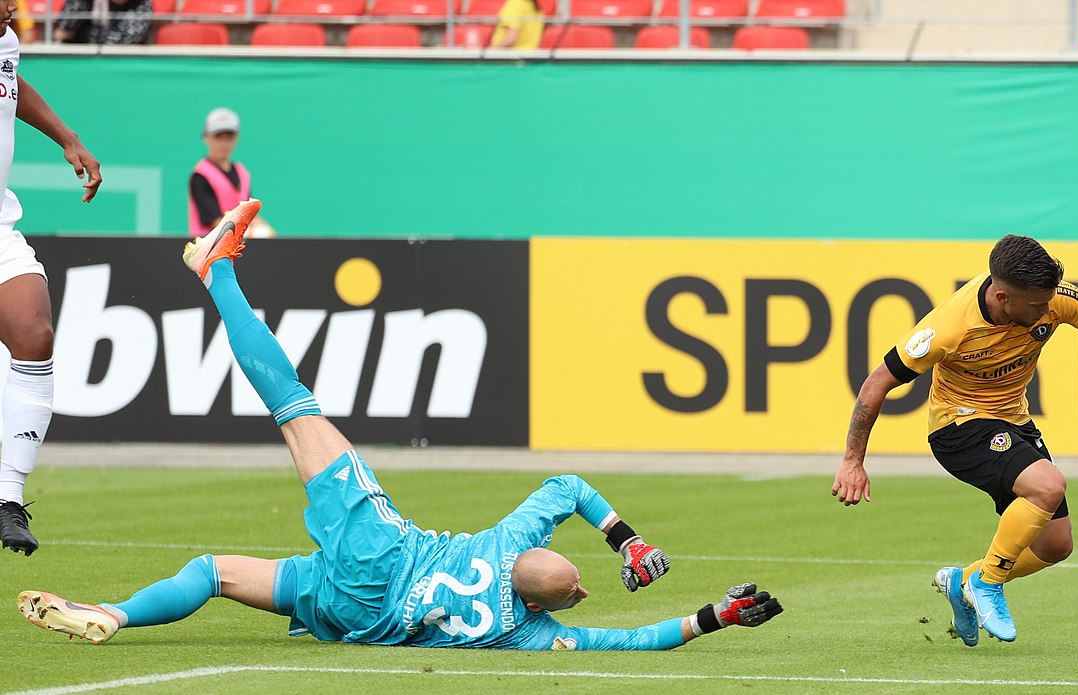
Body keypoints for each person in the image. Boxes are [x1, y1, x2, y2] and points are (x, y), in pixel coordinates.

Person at [17, 200, 783, 649]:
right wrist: (712, 616)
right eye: (579, 587)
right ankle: (114, 613)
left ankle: (216, 269)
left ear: (539, 563)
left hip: (381, 550)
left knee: (294, 405)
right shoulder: (522, 634)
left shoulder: (509, 541)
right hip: (361, 615)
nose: (581, 589)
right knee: (218, 572)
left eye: (572, 579)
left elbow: (567, 481)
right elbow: (629, 643)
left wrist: (627, 537)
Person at [831, 235, 1078, 646]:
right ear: (1002, 296)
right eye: (1037, 306)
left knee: (1056, 545)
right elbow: (876, 383)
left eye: (1048, 302)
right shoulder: (950, 326)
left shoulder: (1053, 298)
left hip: (1013, 421)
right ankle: (989, 583)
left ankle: (964, 581)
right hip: (958, 427)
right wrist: (852, 460)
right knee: (1049, 484)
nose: (1048, 310)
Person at [0, 0, 104, 555]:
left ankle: (8, 499)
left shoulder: (6, 40)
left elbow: (12, 83)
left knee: (35, 335)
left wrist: (67, 136)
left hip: (0, 226)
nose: (13, 7)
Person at [188, 108, 273, 238]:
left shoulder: (242, 172)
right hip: (210, 253)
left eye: (229, 137)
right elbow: (215, 222)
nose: (224, 143)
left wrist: (264, 229)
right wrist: (250, 233)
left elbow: (249, 214)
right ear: (206, 137)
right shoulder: (200, 176)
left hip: (238, 248)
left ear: (236, 138)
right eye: (218, 137)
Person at [53, 0, 152, 44]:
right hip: (79, 60)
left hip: (120, 63)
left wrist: (80, 33)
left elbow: (124, 40)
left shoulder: (142, 4)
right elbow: (64, 27)